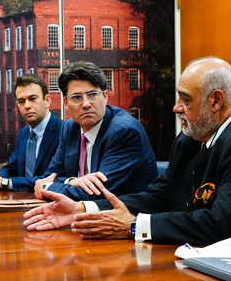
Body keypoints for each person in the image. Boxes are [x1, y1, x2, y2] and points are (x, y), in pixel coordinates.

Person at [23, 57, 231, 245]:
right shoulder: (188, 139)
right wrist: (82, 208)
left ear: (216, 101)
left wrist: (134, 226)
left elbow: (222, 223)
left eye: (185, 99)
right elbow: (157, 196)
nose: (176, 108)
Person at [32, 62, 157, 201]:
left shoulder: (124, 131)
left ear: (105, 96)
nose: (86, 104)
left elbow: (98, 193)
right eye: (76, 97)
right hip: (84, 216)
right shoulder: (69, 128)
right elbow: (50, 175)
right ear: (65, 103)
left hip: (129, 218)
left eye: (92, 95)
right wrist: (72, 181)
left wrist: (47, 188)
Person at [0, 74, 62, 192]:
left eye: (32, 99)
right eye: (21, 101)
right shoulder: (23, 134)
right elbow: (12, 167)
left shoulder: (63, 131)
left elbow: (52, 179)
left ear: (47, 100)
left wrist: (4, 182)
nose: (27, 106)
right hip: (21, 202)